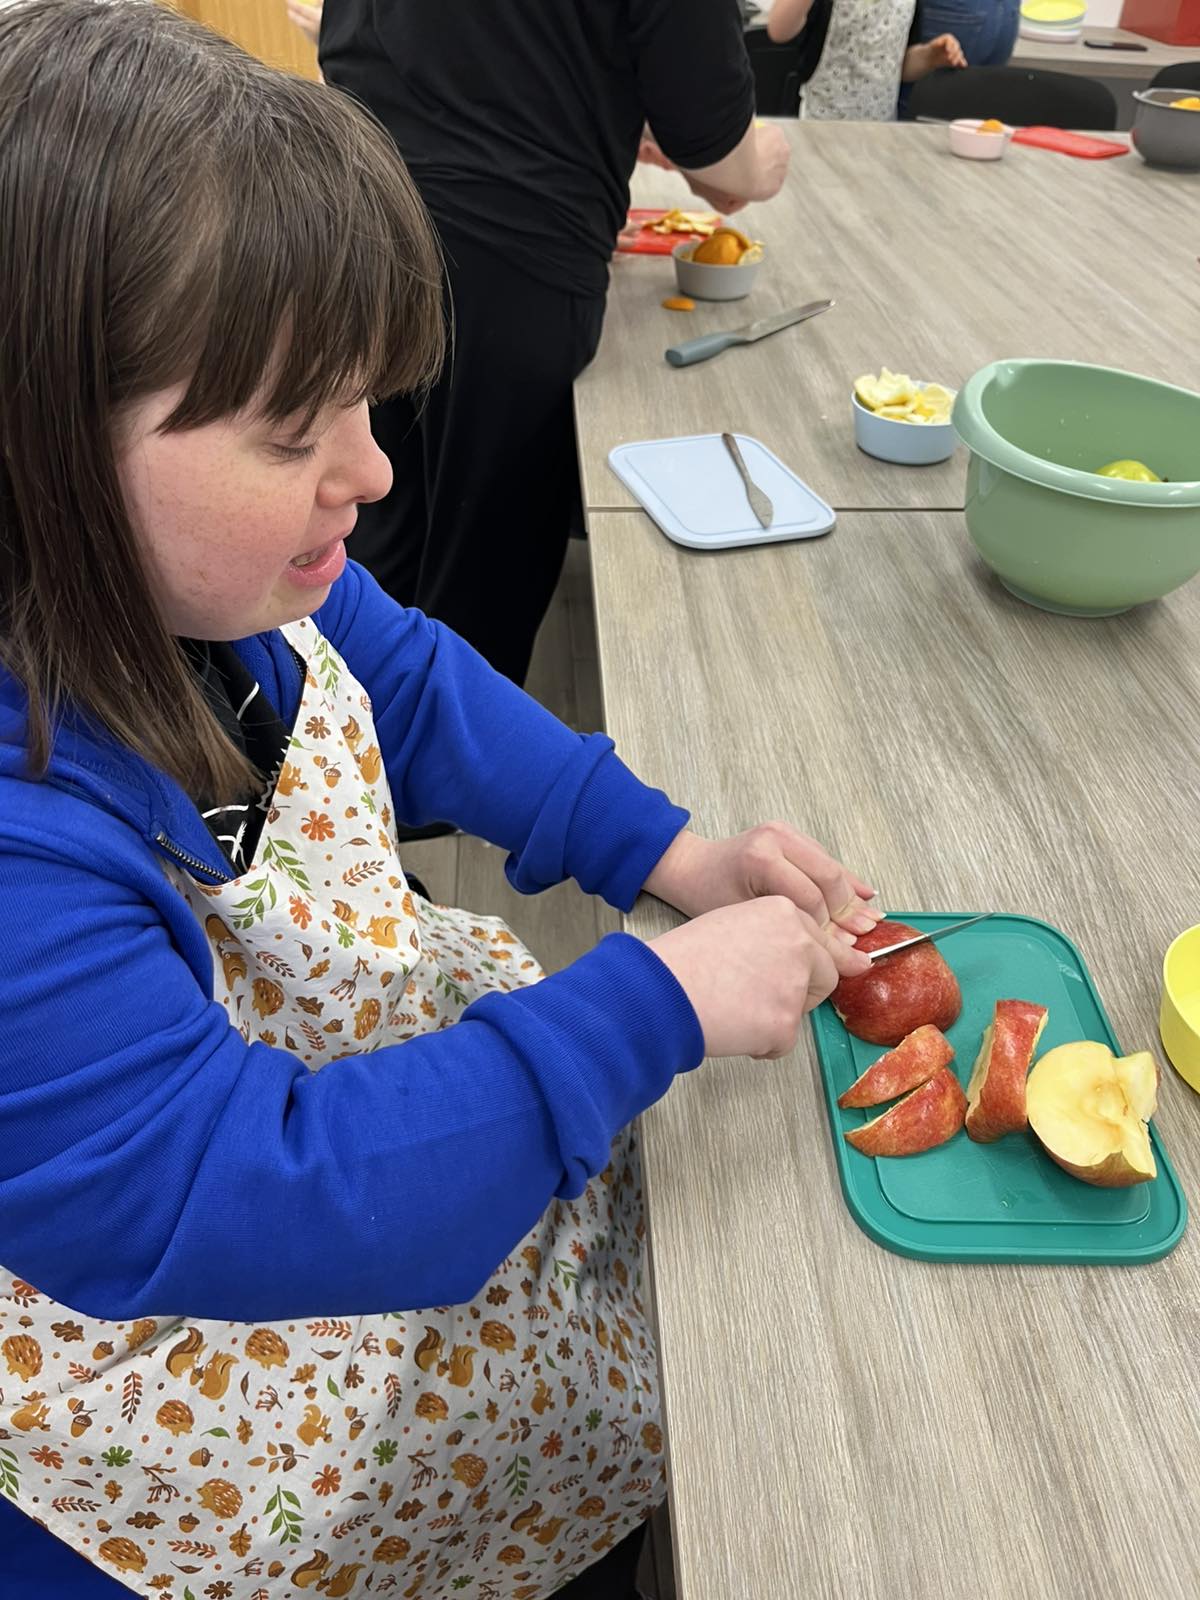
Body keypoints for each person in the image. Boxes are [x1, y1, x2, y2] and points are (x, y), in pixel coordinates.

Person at [0, 4, 880, 1596]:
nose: (374, 471)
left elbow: (407, 681)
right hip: (167, 1399)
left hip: (323, 1122)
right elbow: (245, 1187)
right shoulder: (19, 854)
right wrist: (647, 1010)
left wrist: (670, 851)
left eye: (363, 403)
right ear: (42, 448)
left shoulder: (218, 583)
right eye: (295, 432)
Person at [319, 0, 792, 687]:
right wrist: (760, 159)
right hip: (515, 259)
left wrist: (582, 115)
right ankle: (426, 782)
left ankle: (336, 770)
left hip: (357, 210)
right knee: (477, 587)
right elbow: (714, 145)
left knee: (372, 540)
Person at [768, 0, 966, 119]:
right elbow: (779, 29)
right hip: (817, 123)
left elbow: (897, 66)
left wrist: (929, 56)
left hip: (880, 132)